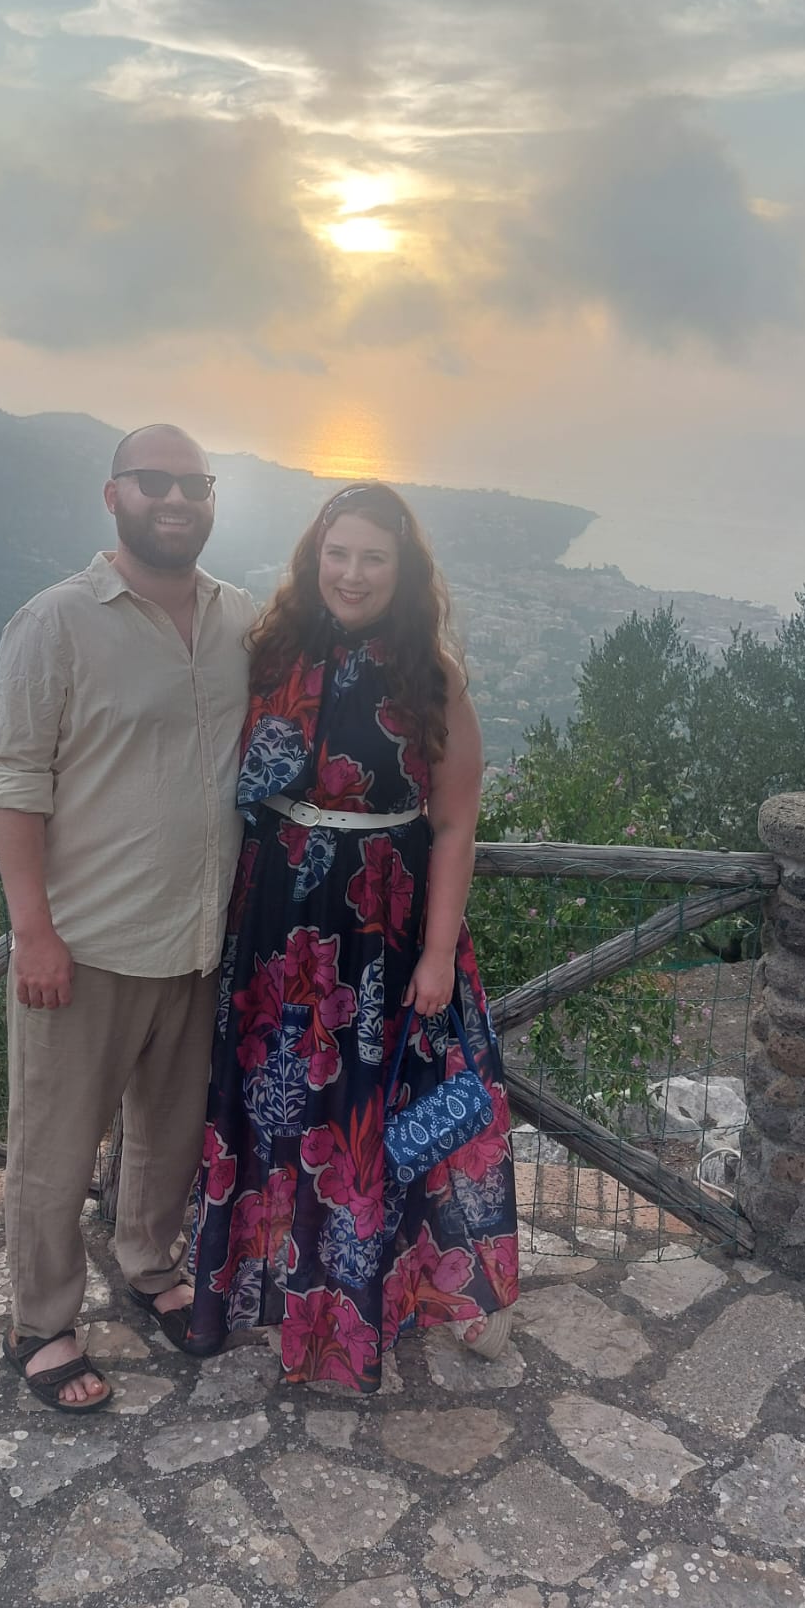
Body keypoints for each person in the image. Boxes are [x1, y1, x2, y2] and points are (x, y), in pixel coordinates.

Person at [186, 481, 519, 1390]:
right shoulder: (273, 652)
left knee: (376, 1128)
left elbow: (454, 824)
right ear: (313, 558)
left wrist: (440, 953)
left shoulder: (431, 679)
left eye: (374, 556)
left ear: (403, 570)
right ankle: (260, 1298)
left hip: (381, 936)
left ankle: (379, 1306)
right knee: (273, 1113)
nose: (352, 572)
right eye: (338, 553)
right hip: (275, 929)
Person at [0, 425, 256, 1414]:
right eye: (155, 481)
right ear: (114, 494)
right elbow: (14, 781)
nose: (175, 498)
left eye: (194, 482)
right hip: (84, 943)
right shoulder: (55, 622)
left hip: (197, 939)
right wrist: (33, 929)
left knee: (169, 1135)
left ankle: (149, 1264)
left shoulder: (239, 623)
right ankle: (41, 1323)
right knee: (52, 1150)